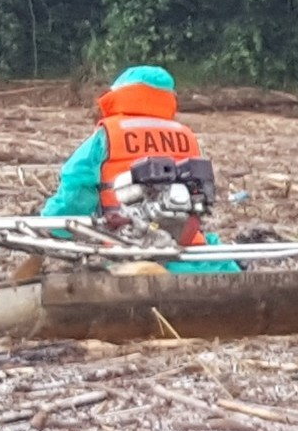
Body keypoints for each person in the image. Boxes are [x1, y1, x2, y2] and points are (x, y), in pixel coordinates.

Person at [41, 65, 237, 274]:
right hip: (186, 249)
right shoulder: (185, 136)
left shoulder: (109, 134)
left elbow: (76, 190)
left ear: (119, 94)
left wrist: (51, 225)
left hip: (123, 246)